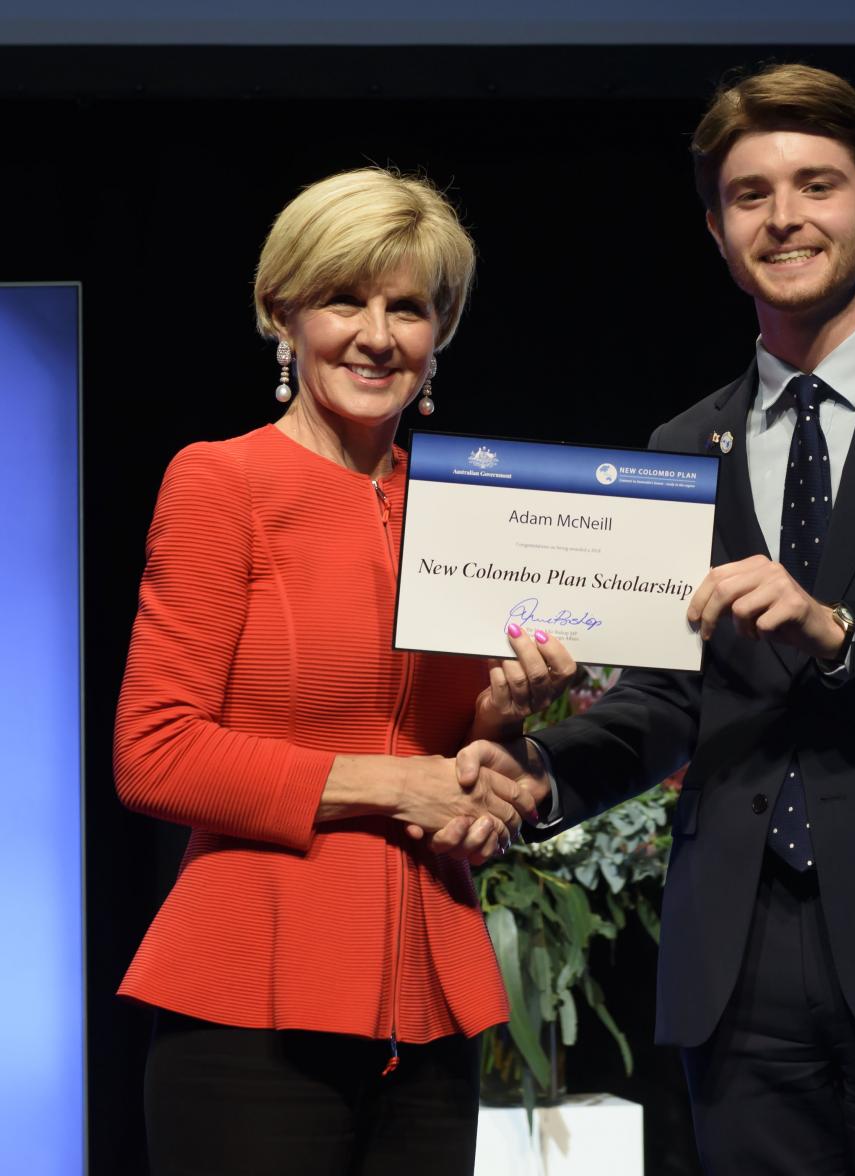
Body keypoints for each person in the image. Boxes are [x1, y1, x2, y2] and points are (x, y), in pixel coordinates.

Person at [464, 64, 855, 1174]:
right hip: (734, 970)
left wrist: (842, 630)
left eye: (818, 185)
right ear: (715, 229)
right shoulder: (676, 449)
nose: (786, 217)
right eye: (750, 195)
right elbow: (670, 700)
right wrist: (540, 774)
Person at [114, 167, 574, 1176]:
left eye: (407, 308)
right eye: (342, 299)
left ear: (439, 331)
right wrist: (381, 782)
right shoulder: (219, 481)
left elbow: (447, 755)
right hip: (251, 1007)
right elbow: (152, 754)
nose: (376, 335)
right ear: (284, 312)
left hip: (432, 1006)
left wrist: (498, 736)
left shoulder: (469, 510)